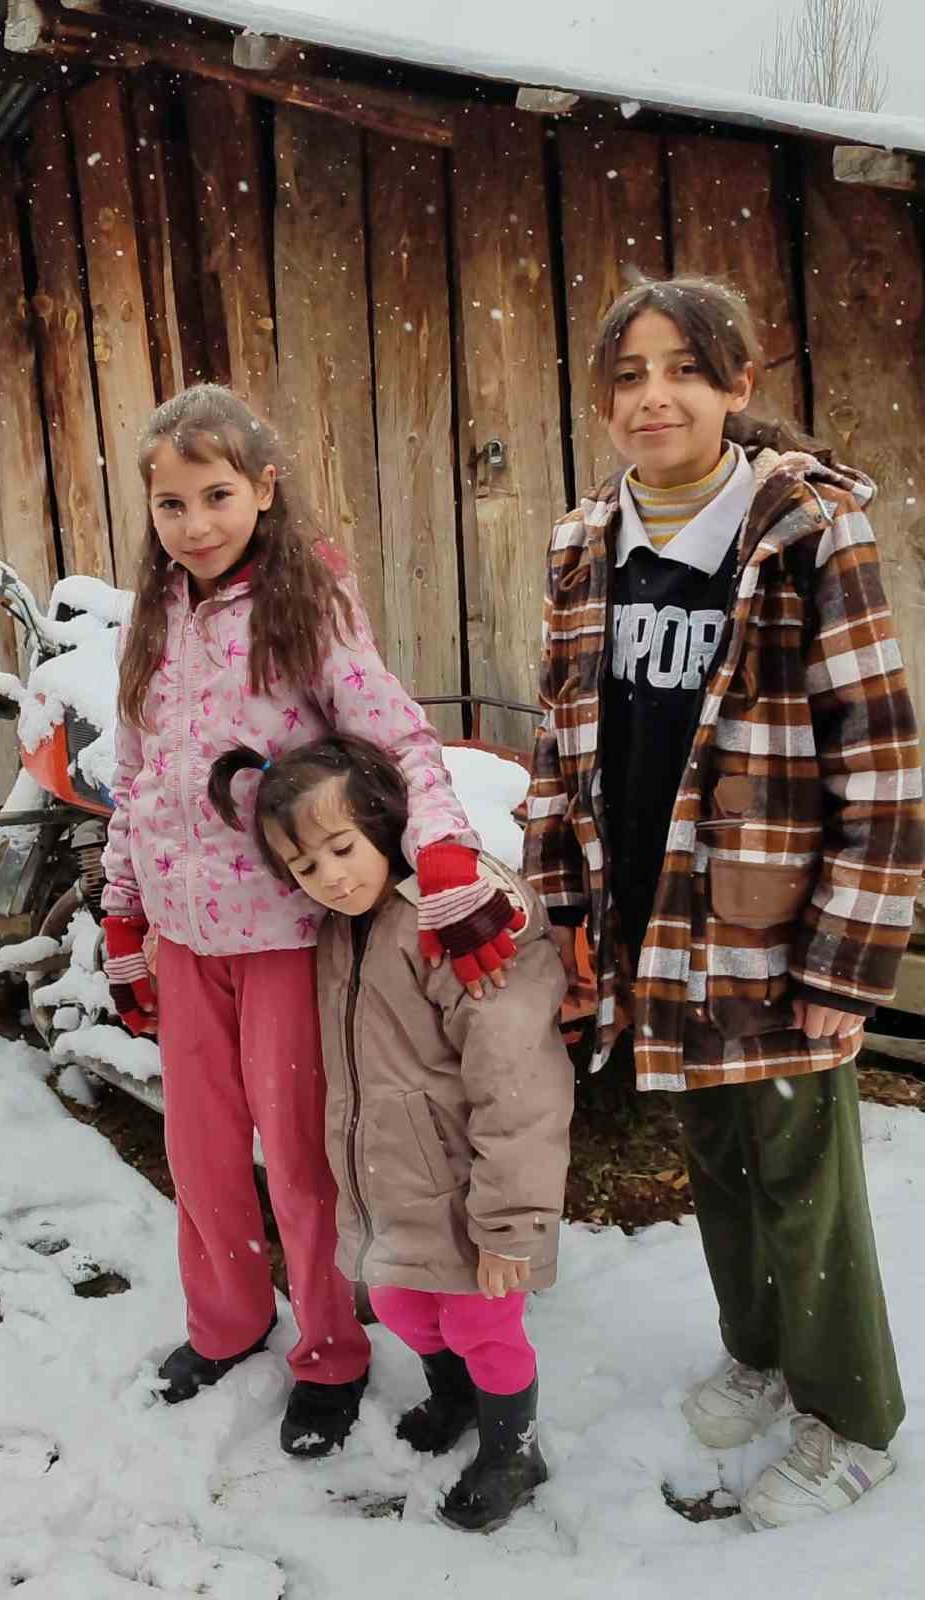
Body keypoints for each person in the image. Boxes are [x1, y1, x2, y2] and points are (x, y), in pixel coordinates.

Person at [524, 276, 923, 1529]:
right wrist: (562, 906)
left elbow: (880, 755)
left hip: (773, 926)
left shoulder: (803, 532)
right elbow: (559, 734)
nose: (654, 396)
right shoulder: (586, 541)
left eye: (683, 370)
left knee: (800, 1167)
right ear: (602, 398)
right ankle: (757, 1355)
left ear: (736, 388)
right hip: (648, 914)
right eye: (629, 374)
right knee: (715, 1156)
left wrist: (843, 964)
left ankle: (852, 1414)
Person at [102, 384, 522, 1458]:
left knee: (300, 1163)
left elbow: (399, 743)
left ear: (264, 488)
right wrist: (123, 912)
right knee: (198, 1158)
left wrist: (441, 855)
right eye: (171, 504)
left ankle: (330, 1351)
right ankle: (228, 1324)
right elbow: (138, 775)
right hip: (186, 942)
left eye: (217, 495)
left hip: (290, 940)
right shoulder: (152, 618)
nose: (194, 524)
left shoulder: (307, 606)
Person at [208, 736, 571, 1530]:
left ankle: (516, 1447)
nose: (331, 877)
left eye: (343, 848)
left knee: (482, 1322)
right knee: (406, 1307)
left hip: (469, 1182)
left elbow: (519, 1081)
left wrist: (511, 1221)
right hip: (393, 1181)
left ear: (384, 823)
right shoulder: (345, 926)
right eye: (307, 868)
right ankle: (457, 1399)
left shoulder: (453, 922)